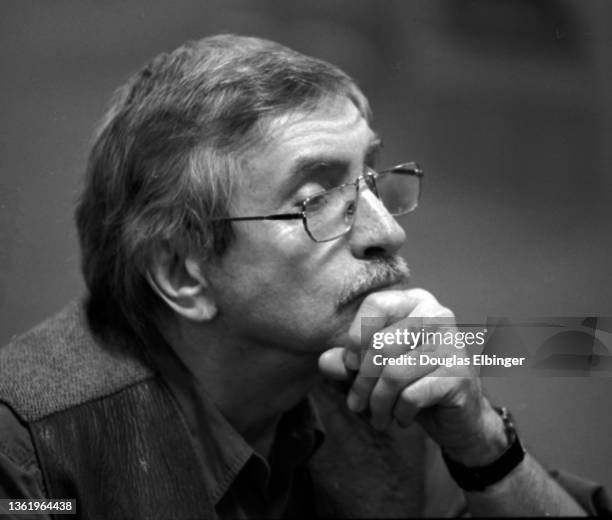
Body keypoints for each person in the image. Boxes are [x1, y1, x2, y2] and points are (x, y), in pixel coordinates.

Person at [0, 34, 609, 519]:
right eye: (315, 199)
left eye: (369, 180)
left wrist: (481, 445)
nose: (387, 233)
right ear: (182, 272)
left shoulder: (388, 386)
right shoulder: (27, 454)